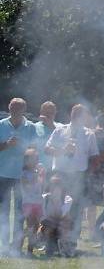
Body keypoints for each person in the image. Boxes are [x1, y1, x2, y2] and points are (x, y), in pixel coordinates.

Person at [45, 104, 99, 247]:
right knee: (55, 207)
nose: (77, 116)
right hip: (60, 176)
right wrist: (62, 150)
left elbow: (94, 157)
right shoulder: (60, 130)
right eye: (75, 113)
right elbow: (47, 149)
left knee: (75, 209)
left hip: (78, 177)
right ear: (71, 114)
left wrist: (87, 175)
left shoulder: (89, 134)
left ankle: (71, 242)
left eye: (81, 114)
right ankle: (52, 241)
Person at [0, 97, 39, 255]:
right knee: (3, 211)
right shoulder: (1, 125)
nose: (14, 111)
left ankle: (16, 246)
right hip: (2, 174)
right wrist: (6, 145)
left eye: (18, 108)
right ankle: (3, 245)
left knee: (20, 212)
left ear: (24, 110)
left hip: (23, 176)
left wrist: (30, 155)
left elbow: (35, 150)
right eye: (12, 108)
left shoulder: (30, 127)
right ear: (9, 108)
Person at [39, 174, 73, 257]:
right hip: (47, 226)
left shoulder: (67, 199)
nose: (55, 187)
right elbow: (42, 217)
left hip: (59, 225)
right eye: (53, 185)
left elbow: (63, 216)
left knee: (65, 223)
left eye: (58, 184)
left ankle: (64, 248)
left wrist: (57, 200)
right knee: (48, 226)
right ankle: (48, 245)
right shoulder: (44, 198)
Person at [19, 148, 44, 255]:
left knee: (35, 227)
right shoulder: (24, 173)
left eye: (36, 158)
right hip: (28, 203)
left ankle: (30, 250)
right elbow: (27, 186)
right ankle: (18, 244)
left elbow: (41, 186)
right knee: (30, 226)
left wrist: (41, 175)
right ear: (26, 160)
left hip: (38, 202)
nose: (35, 161)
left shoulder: (38, 172)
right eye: (32, 158)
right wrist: (37, 176)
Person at [35, 101, 63, 173]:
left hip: (57, 169)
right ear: (41, 112)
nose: (49, 115)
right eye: (46, 113)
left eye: (51, 113)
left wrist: (50, 125)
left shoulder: (61, 127)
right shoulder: (34, 127)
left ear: (55, 113)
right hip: (39, 169)